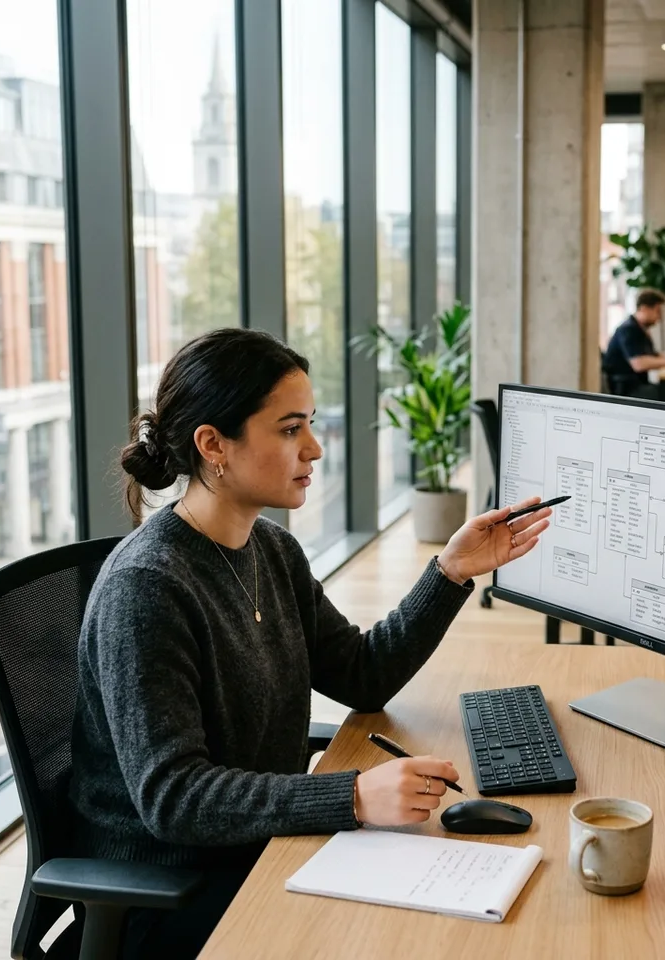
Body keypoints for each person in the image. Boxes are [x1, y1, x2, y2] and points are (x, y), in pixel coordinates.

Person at [68, 329, 554, 959]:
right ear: (213, 445)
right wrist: (351, 795)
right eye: (290, 429)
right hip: (175, 890)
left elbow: (361, 675)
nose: (316, 449)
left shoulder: (270, 549)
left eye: (310, 425)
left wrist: (451, 572)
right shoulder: (148, 589)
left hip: (265, 848)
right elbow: (175, 798)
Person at [602, 290, 665, 404]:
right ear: (644, 308)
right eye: (657, 311)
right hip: (626, 390)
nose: (659, 317)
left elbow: (654, 355)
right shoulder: (628, 329)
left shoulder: (640, 330)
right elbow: (639, 364)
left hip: (637, 385)